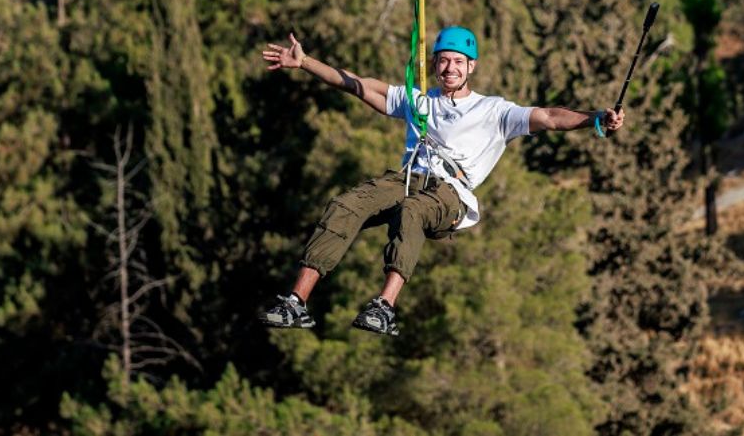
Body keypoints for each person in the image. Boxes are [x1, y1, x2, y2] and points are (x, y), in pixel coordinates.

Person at [258, 26, 624, 336]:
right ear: (434, 64)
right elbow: (356, 85)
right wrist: (305, 63)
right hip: (406, 178)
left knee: (411, 212)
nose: (450, 68)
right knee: (344, 206)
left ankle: (385, 306)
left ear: (471, 67)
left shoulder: (494, 111)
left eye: (458, 62)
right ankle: (296, 302)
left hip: (450, 193)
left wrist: (595, 118)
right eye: (444, 61)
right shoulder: (418, 100)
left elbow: (548, 116)